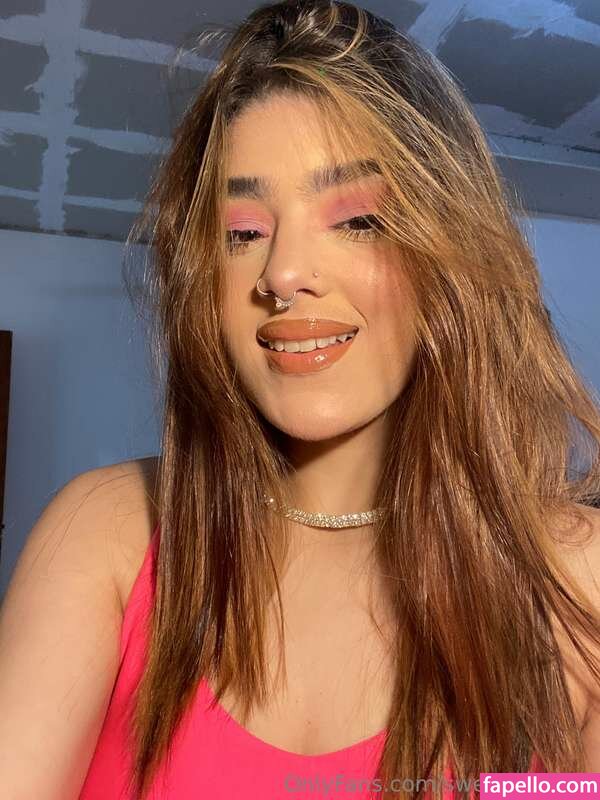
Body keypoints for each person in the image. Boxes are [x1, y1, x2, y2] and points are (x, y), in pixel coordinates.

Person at [1, 1, 600, 798]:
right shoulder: (106, 533)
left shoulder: (580, 580)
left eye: (357, 219)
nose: (282, 272)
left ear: (450, 254)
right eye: (244, 232)